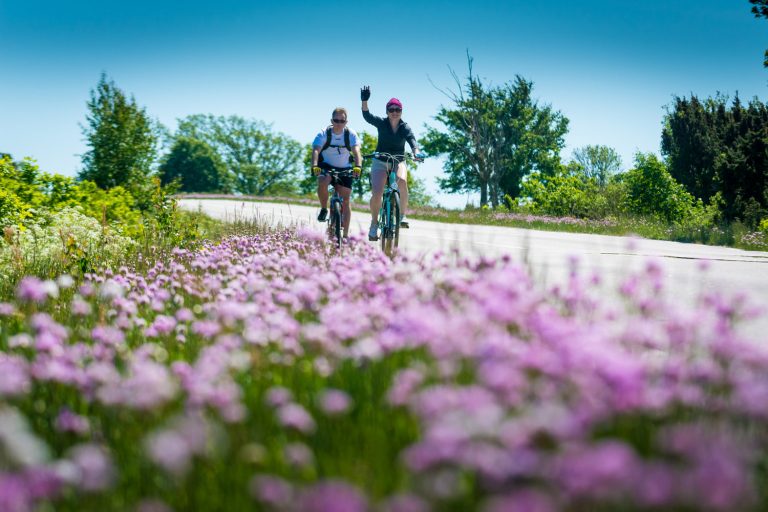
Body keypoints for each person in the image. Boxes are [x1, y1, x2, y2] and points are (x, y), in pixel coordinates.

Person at [360, 85, 422, 241]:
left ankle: (402, 216)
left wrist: (416, 153)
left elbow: (413, 142)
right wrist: (364, 101)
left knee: (402, 182)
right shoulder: (381, 123)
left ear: (401, 111)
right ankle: (374, 224)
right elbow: (367, 117)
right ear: (387, 111)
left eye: (397, 110)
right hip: (380, 161)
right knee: (377, 192)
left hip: (398, 161)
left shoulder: (404, 127)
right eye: (391, 109)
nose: (394, 112)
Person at [311, 107, 362, 239]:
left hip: (345, 168)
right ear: (331, 120)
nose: (339, 123)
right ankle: (323, 208)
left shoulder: (350, 134)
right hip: (326, 166)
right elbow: (316, 150)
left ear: (346, 122)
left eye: (342, 120)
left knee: (345, 200)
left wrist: (358, 167)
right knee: (323, 181)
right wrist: (314, 165)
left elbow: (356, 152)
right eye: (336, 120)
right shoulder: (324, 133)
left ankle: (344, 235)